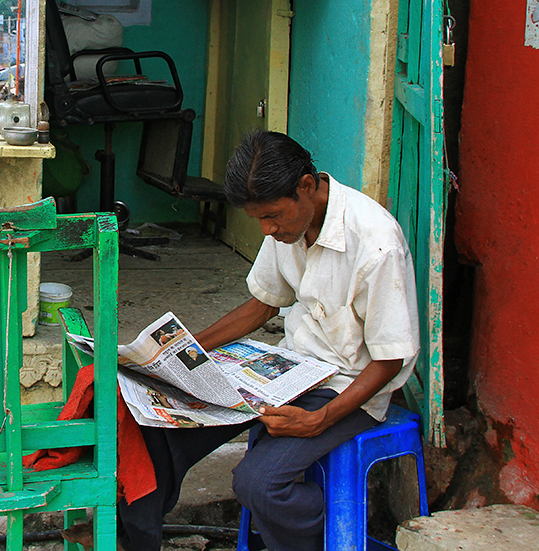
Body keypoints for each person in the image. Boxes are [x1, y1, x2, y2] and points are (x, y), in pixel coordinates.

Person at [64, 130, 420, 551]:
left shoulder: (376, 244)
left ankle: (319, 537)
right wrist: (179, 351)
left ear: (306, 186)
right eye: (259, 220)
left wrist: (320, 420)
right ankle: (132, 537)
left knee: (259, 485)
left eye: (272, 216)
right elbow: (263, 305)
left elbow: (390, 360)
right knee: (144, 414)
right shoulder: (289, 226)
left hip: (349, 387)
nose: (268, 229)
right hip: (291, 370)